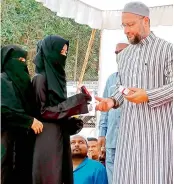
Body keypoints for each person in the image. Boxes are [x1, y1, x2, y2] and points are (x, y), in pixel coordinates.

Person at [95, 2, 173, 184]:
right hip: (128, 135)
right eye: (124, 25)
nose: (126, 30)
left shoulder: (167, 49)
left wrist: (148, 95)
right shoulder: (124, 56)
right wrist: (112, 101)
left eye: (130, 25)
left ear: (145, 21)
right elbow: (122, 88)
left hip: (157, 135)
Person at [32, 35, 91, 184]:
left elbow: (59, 110)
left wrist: (71, 121)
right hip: (47, 138)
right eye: (61, 52)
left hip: (60, 136)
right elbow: (43, 111)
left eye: (65, 53)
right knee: (51, 176)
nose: (64, 56)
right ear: (51, 53)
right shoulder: (40, 78)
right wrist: (75, 102)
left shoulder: (57, 80)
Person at [1, 45, 43, 184]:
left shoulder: (25, 83)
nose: (22, 63)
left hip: (23, 141)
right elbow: (3, 109)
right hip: (5, 139)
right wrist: (28, 121)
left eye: (24, 60)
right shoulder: (2, 80)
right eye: (18, 59)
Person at [98, 41, 129, 184]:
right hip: (112, 140)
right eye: (116, 52)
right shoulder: (111, 78)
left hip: (131, 141)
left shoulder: (140, 79)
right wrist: (101, 134)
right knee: (113, 178)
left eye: (122, 51)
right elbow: (105, 110)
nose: (119, 55)